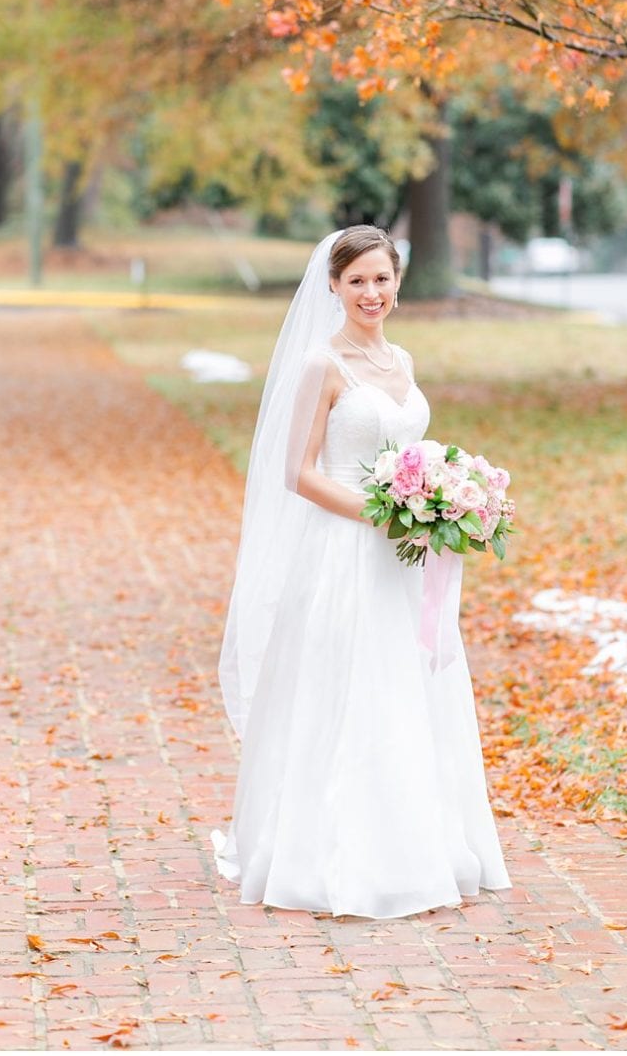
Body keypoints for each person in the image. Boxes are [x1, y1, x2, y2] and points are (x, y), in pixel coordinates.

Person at [209, 225, 510, 918]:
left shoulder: (401, 358)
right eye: (357, 282)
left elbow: (409, 447)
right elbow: (298, 473)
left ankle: (418, 842)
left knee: (407, 688)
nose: (371, 293)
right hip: (345, 550)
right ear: (335, 288)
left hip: (404, 558)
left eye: (381, 278)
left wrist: (440, 493)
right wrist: (382, 515)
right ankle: (335, 854)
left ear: (397, 282)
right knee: (347, 687)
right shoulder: (324, 365)